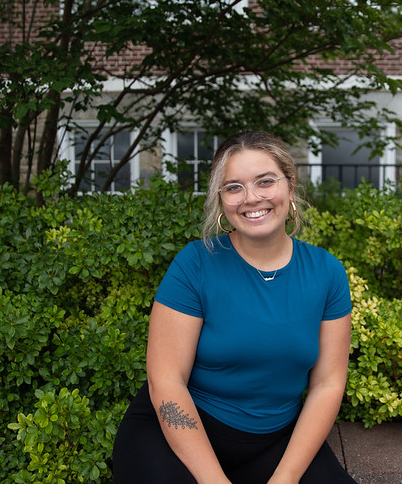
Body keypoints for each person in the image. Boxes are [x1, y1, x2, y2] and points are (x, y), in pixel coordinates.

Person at [113, 131, 356, 484]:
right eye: (234, 187)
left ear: (289, 186)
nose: (251, 198)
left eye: (265, 182)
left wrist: (285, 479)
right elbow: (166, 381)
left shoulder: (326, 272)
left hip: (275, 441)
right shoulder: (195, 264)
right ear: (221, 199)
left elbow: (328, 385)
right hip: (179, 433)